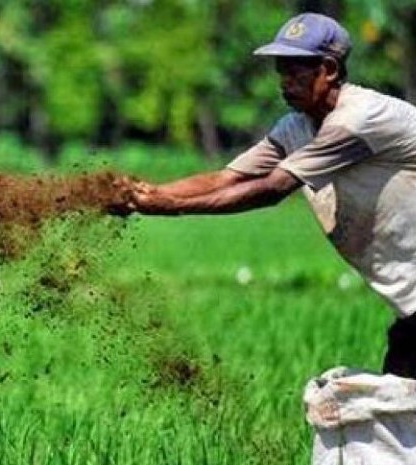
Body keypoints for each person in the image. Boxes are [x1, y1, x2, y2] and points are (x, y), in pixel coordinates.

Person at [115, 12, 416, 379]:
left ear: (330, 69)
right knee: (399, 415)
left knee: (399, 412)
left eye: (294, 71)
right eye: (280, 71)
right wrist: (145, 194)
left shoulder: (358, 119)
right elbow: (227, 178)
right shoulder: (297, 127)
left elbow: (273, 188)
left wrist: (171, 207)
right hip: (409, 305)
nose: (283, 82)